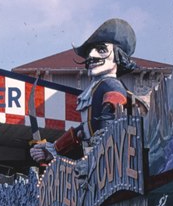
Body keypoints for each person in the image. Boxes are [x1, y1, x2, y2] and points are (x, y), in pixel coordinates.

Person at [31, 18, 139, 164]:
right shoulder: (96, 88)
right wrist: (53, 148)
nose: (91, 56)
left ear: (119, 56)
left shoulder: (111, 86)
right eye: (90, 51)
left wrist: (100, 152)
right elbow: (83, 130)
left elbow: (108, 122)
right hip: (97, 160)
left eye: (101, 50)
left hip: (109, 162)